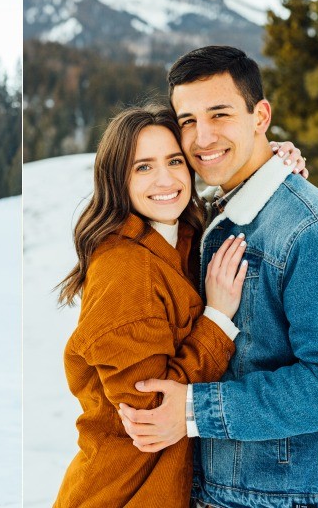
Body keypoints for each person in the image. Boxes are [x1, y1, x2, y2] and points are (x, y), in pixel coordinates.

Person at [117, 46, 318, 508]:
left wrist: (193, 411)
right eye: (187, 121)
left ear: (260, 116)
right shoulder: (217, 212)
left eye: (220, 114)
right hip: (220, 487)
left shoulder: (312, 229)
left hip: (282, 497)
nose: (202, 138)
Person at [52, 106, 250, 506]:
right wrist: (217, 319)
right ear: (116, 180)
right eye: (143, 167)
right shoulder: (124, 270)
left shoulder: (180, 236)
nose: (165, 179)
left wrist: (272, 162)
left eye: (174, 160)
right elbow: (152, 410)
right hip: (122, 492)